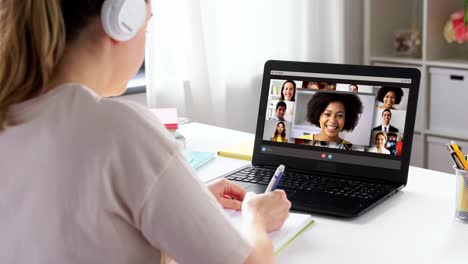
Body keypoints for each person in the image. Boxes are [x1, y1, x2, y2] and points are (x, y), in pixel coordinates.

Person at [0, 1, 291, 263]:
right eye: (147, 26)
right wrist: (256, 219)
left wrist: (184, 205)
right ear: (121, 21)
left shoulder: (11, 118)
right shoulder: (117, 129)